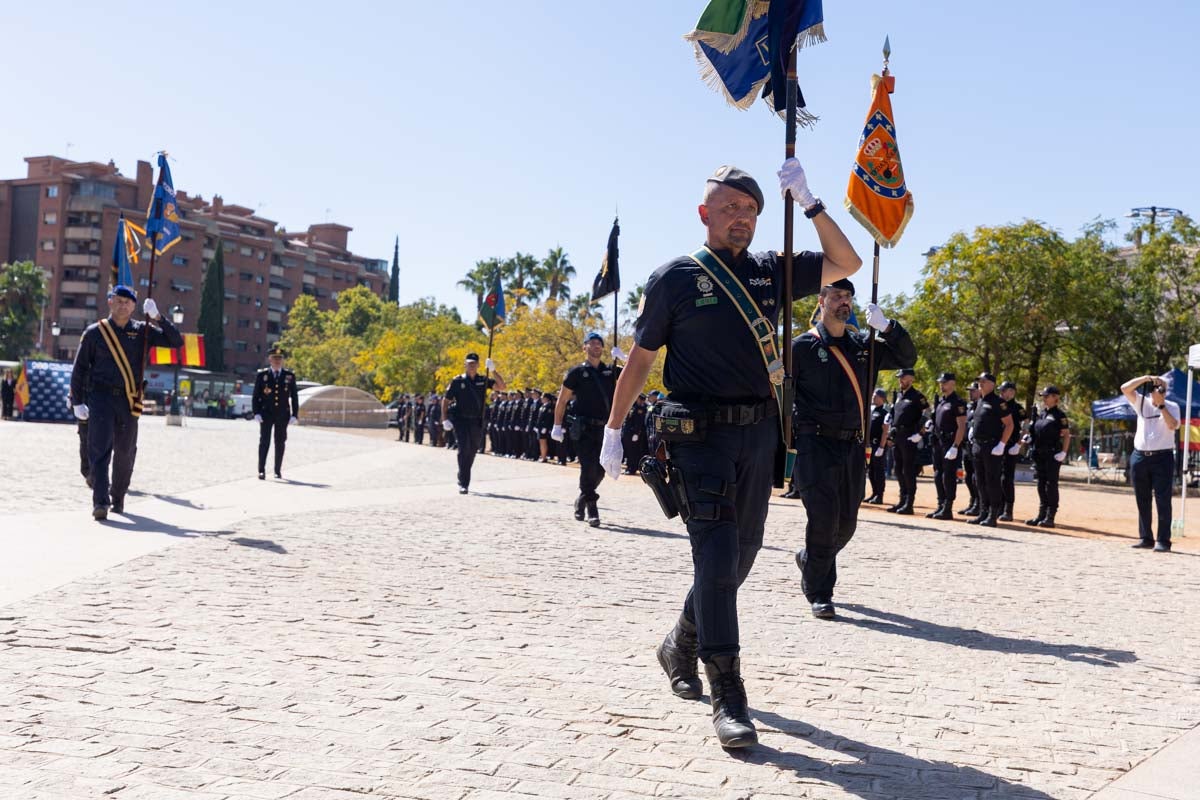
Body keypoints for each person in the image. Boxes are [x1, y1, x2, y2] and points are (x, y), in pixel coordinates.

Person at [599, 161, 861, 748]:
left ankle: (679, 643)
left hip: (758, 434)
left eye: (751, 211)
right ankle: (729, 696)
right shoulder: (675, 278)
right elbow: (641, 359)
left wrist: (812, 204)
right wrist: (614, 428)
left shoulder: (773, 271)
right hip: (698, 438)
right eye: (729, 209)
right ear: (704, 214)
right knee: (716, 559)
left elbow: (847, 263)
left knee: (738, 560)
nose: (741, 219)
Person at [791, 282, 916, 619]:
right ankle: (820, 591)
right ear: (821, 302)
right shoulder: (801, 347)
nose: (844, 302)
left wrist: (888, 328)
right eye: (837, 297)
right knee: (823, 518)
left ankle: (810, 558)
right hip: (815, 444)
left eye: (848, 298)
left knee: (846, 523)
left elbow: (908, 357)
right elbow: (779, 391)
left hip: (851, 445)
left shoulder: (864, 346)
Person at [69, 285, 183, 519]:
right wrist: (77, 402)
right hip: (100, 397)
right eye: (119, 300)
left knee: (125, 451)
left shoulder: (143, 332)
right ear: (110, 302)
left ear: (134, 306)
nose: (123, 305)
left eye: (128, 302)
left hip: (129, 398)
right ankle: (100, 502)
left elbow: (176, 341)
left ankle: (117, 496)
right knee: (100, 450)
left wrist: (158, 317)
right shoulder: (95, 332)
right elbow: (79, 369)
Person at [551, 332, 624, 526]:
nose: (596, 346)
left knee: (600, 470)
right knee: (587, 466)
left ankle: (582, 498)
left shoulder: (611, 371)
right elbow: (563, 399)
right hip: (583, 429)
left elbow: (630, 378)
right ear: (585, 348)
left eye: (599, 343)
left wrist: (624, 359)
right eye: (592, 343)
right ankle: (592, 508)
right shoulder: (576, 372)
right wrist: (557, 425)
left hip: (604, 428)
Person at [1121, 374, 1180, 552]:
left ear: (1166, 391)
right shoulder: (1141, 403)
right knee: (1142, 499)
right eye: (1155, 387)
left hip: (1162, 457)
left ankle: (1163, 540)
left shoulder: (1172, 406)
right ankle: (1146, 537)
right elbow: (1125, 388)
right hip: (1140, 456)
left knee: (1163, 500)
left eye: (1161, 387)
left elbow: (1173, 425)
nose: (1157, 390)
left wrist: (1161, 404)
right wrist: (1145, 379)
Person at [441, 353, 506, 493]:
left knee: (472, 450)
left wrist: (494, 370)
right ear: (465, 364)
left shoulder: (483, 380)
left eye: (474, 363)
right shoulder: (457, 381)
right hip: (461, 420)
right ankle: (464, 482)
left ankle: (462, 473)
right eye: (469, 363)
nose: (472, 366)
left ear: (478, 365)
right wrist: (444, 419)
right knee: (463, 448)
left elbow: (502, 387)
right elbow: (445, 401)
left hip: (477, 421)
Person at [966, 372, 1014, 527]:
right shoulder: (980, 401)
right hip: (978, 446)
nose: (980, 384)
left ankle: (993, 515)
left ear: (992, 384)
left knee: (992, 481)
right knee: (979, 481)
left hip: (992, 447)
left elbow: (1009, 425)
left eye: (983, 381)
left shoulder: (998, 402)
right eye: (979, 381)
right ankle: (983, 512)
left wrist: (1002, 444)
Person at [252, 344, 300, 480]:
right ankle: (261, 470)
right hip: (266, 413)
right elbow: (256, 395)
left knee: (280, 442)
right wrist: (256, 412)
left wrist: (294, 414)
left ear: (282, 360)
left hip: (282, 414)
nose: (277, 361)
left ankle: (277, 470)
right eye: (274, 358)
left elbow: (294, 396)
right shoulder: (262, 376)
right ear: (269, 360)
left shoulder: (289, 376)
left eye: (280, 359)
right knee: (264, 442)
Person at [1025, 385, 1070, 528]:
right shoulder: (1041, 414)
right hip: (1039, 454)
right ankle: (1041, 514)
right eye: (1043, 396)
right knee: (1040, 485)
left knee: (1051, 485)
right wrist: (1029, 438)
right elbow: (1036, 432)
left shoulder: (1059, 415)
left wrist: (1063, 452)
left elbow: (1066, 435)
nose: (1044, 398)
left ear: (1055, 397)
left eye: (1046, 396)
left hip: (1052, 454)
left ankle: (1050, 516)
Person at [886, 368, 928, 515]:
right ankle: (902, 500)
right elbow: (895, 415)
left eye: (902, 378)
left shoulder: (918, 397)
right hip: (898, 436)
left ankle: (909, 503)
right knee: (898, 469)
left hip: (910, 436)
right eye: (899, 378)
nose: (900, 380)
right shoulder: (899, 395)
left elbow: (926, 418)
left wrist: (920, 434)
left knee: (908, 471)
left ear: (911, 379)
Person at [927, 372, 967, 520]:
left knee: (948, 476)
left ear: (952, 383)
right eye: (941, 382)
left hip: (950, 442)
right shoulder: (941, 401)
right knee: (938, 474)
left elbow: (961, 426)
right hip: (938, 442)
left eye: (944, 382)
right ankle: (940, 505)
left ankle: (948, 508)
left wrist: (956, 446)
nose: (941, 385)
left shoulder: (957, 402)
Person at [997, 380, 1025, 521]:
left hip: (1010, 446)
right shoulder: (998, 404)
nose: (1001, 393)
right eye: (1001, 390)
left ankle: (1008, 510)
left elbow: (1026, 427)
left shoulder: (1017, 408)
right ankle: (998, 508)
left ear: (1012, 392)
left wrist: (1018, 444)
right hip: (997, 445)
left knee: (1007, 479)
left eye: (1004, 390)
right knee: (997, 477)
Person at [864, 388, 890, 504]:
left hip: (878, 445)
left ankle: (879, 495)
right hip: (870, 445)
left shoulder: (884, 413)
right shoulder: (872, 411)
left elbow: (885, 431)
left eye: (876, 396)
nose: (873, 397)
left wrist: (881, 447)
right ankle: (874, 493)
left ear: (882, 398)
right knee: (871, 471)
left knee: (879, 471)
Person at [622, 393, 650, 474]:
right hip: (628, 432)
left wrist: (636, 433)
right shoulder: (632, 406)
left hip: (633, 433)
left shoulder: (641, 408)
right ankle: (629, 467)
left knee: (633, 452)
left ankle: (632, 469)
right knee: (628, 450)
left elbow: (639, 422)